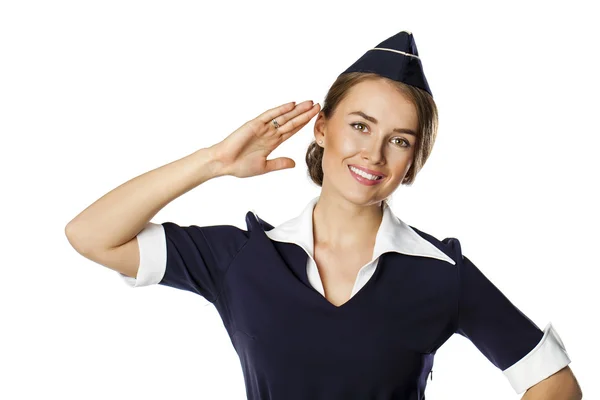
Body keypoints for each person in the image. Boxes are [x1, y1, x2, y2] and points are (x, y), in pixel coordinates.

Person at [65, 30, 581, 400]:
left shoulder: (440, 274)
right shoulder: (241, 259)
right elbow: (91, 235)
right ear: (322, 129)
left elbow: (553, 382)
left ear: (412, 161)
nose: (374, 154)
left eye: (398, 140)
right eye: (360, 126)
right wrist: (214, 162)